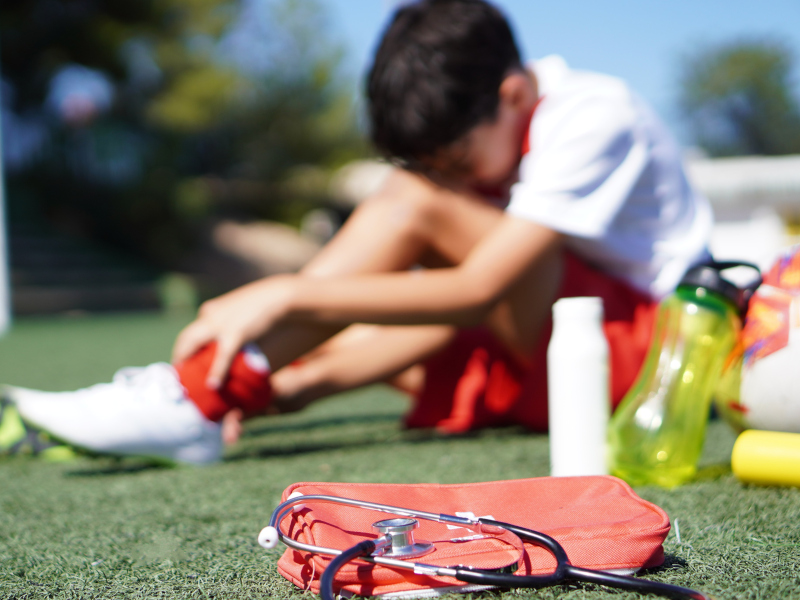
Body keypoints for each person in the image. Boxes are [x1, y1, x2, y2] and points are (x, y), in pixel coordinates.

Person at [2, 0, 712, 465]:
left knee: (412, 205)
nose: (456, 182)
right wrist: (296, 377)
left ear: (513, 95)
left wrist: (286, 295)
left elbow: (478, 289)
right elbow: (450, 302)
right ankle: (212, 396)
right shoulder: (506, 125)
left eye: (459, 163)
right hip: (545, 346)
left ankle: (196, 397)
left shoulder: (593, 114)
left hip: (647, 361)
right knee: (340, 340)